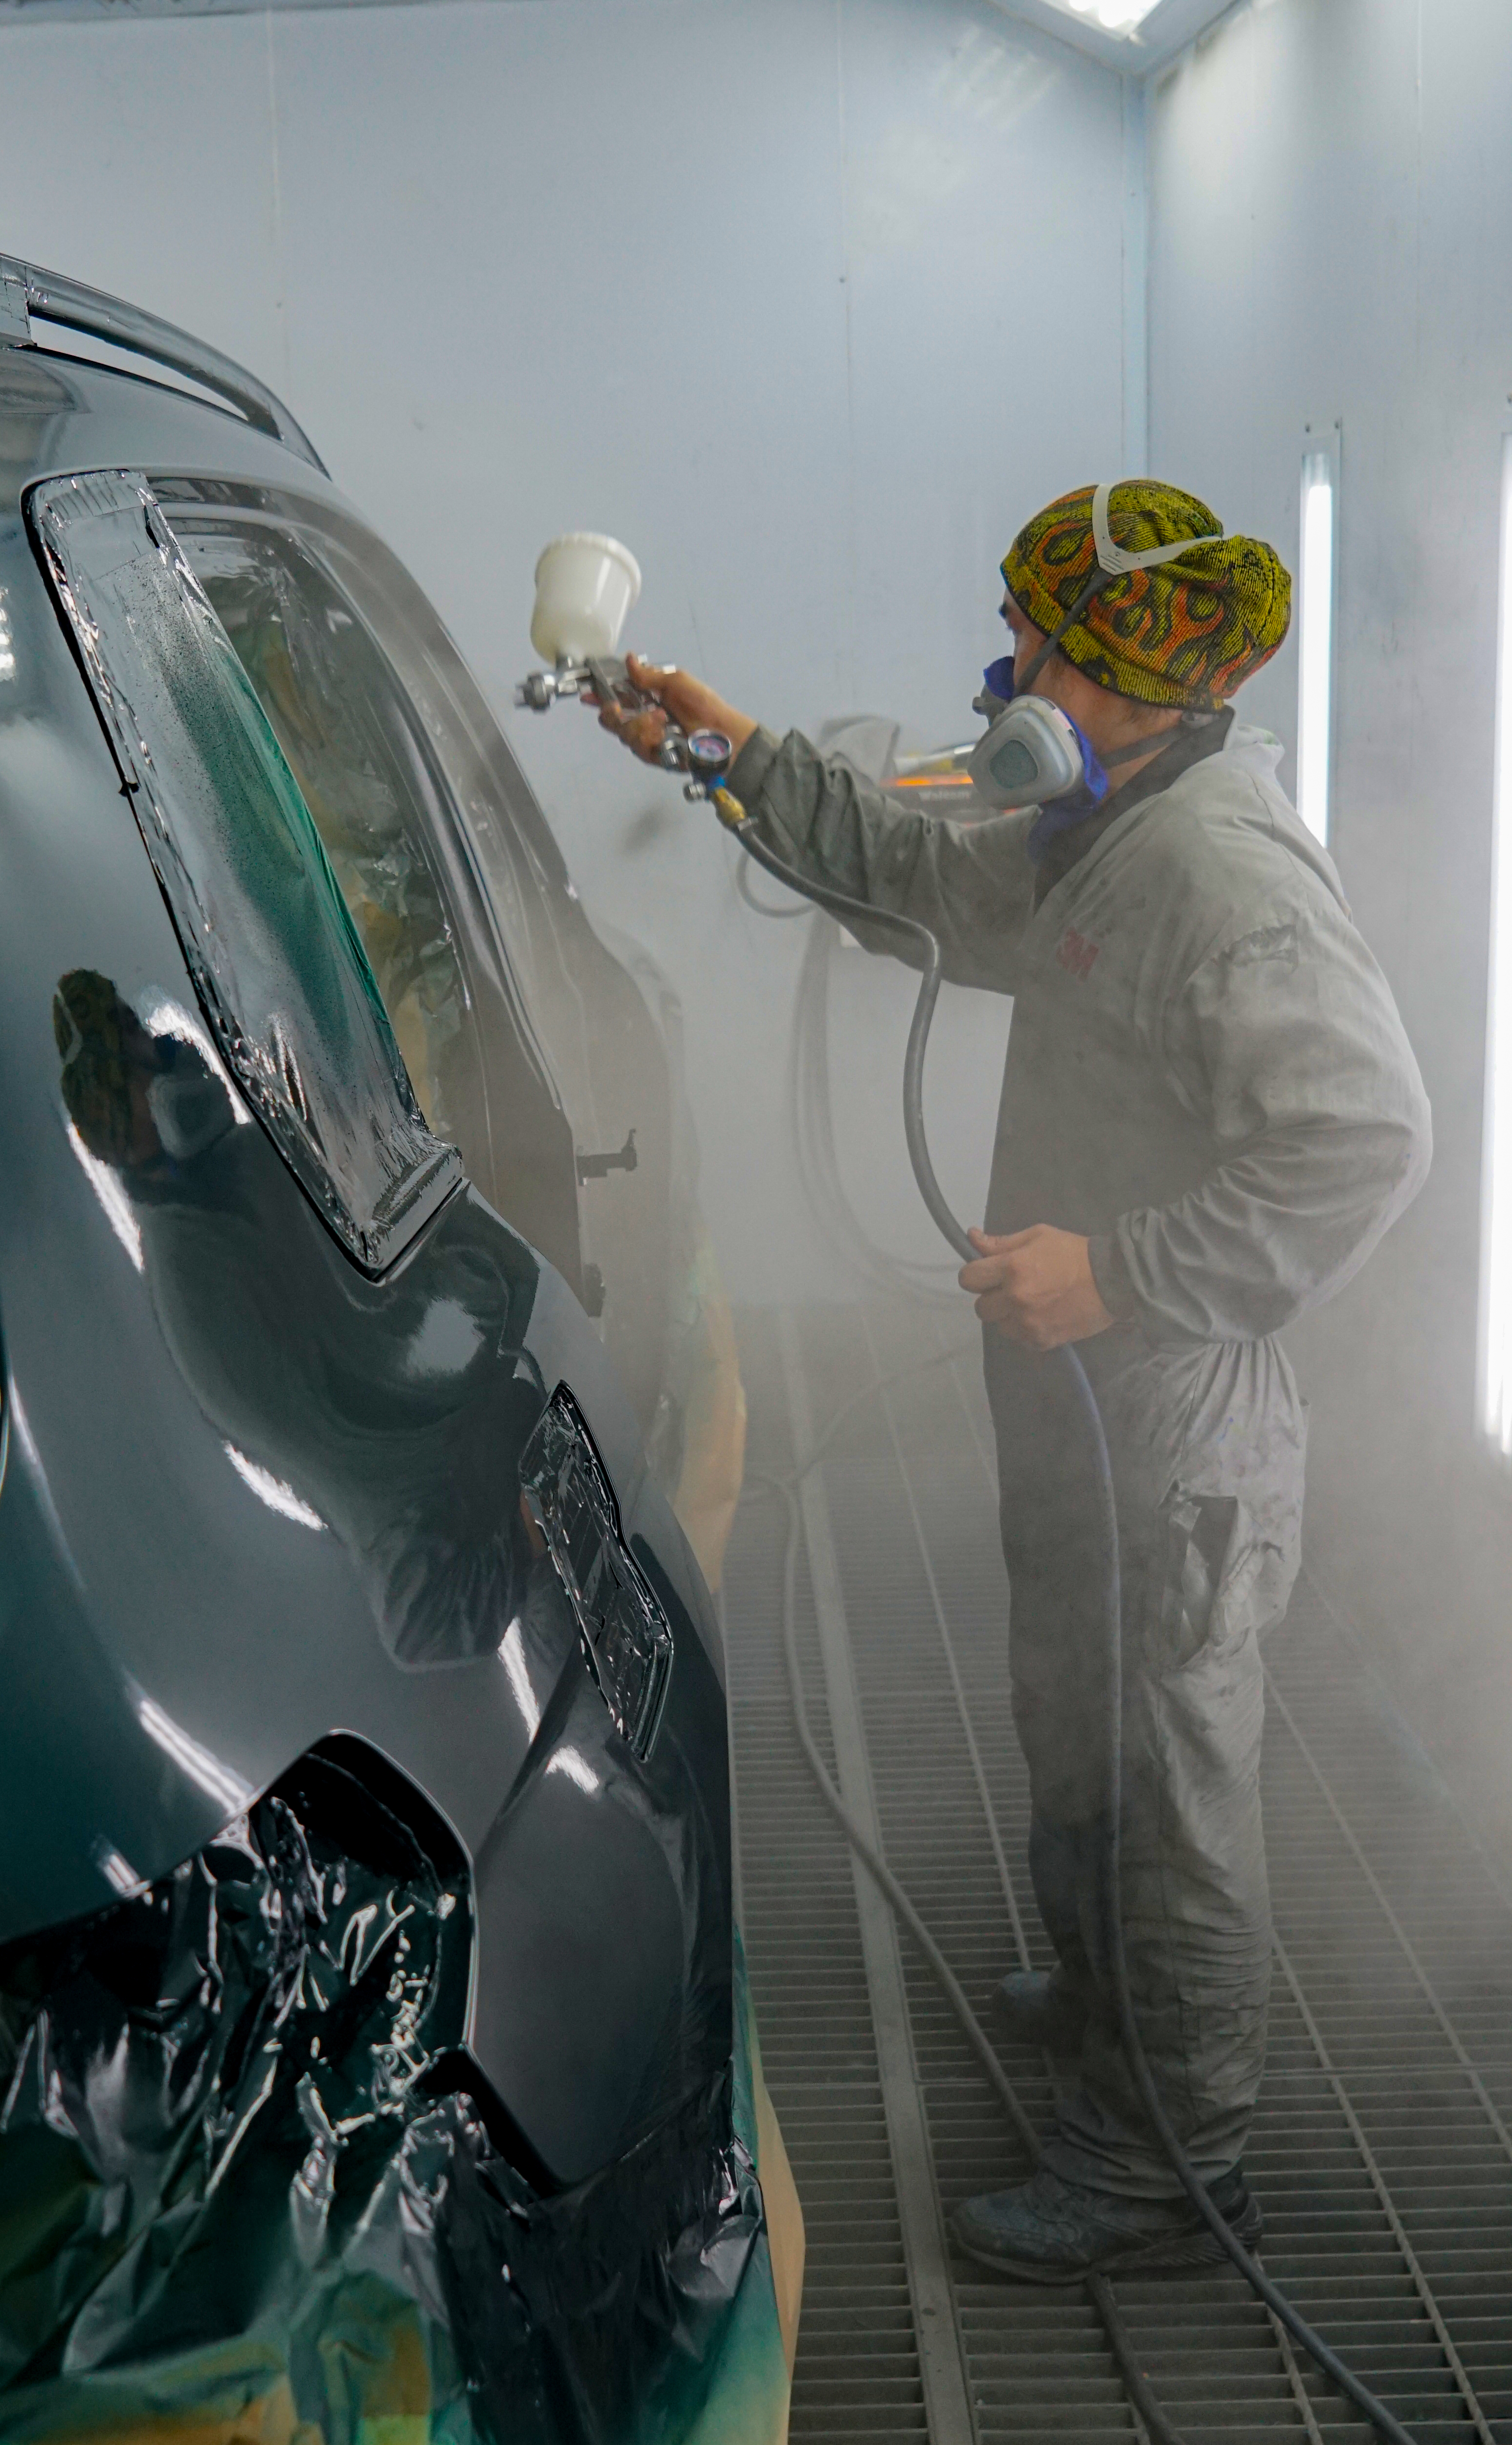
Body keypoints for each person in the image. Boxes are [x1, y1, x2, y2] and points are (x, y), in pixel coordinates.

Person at [590, 480, 1432, 2281]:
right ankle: (1104, 1990)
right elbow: (926, 883)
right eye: (1017, 637)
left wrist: (1116, 1270)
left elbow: (1365, 1140)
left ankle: (1170, 2165)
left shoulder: (1221, 875)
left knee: (1167, 1779)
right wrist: (732, 756)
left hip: (1174, 1409)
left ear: (1139, 677)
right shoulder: (1108, 823)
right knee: (1074, 1711)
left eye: (1042, 650)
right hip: (1082, 1386)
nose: (1007, 681)